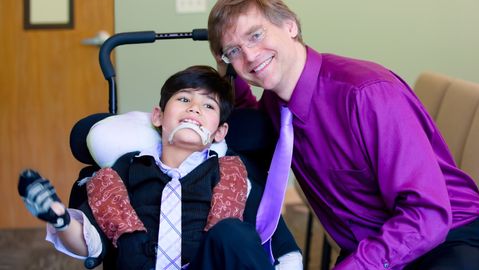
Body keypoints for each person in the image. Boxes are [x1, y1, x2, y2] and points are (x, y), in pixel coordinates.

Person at [207, 0, 479, 269]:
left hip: (447, 244)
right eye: (232, 50)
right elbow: (246, 128)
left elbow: (427, 214)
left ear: (290, 25)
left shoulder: (366, 93)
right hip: (376, 250)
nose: (248, 55)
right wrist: (226, 78)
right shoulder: (277, 105)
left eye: (256, 35)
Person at [18, 65, 302, 270]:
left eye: (208, 106)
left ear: (220, 132)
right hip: (139, 263)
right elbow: (90, 245)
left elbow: (279, 242)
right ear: (158, 116)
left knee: (233, 233)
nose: (194, 109)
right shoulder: (123, 171)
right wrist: (59, 219)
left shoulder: (231, 177)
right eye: (184, 99)